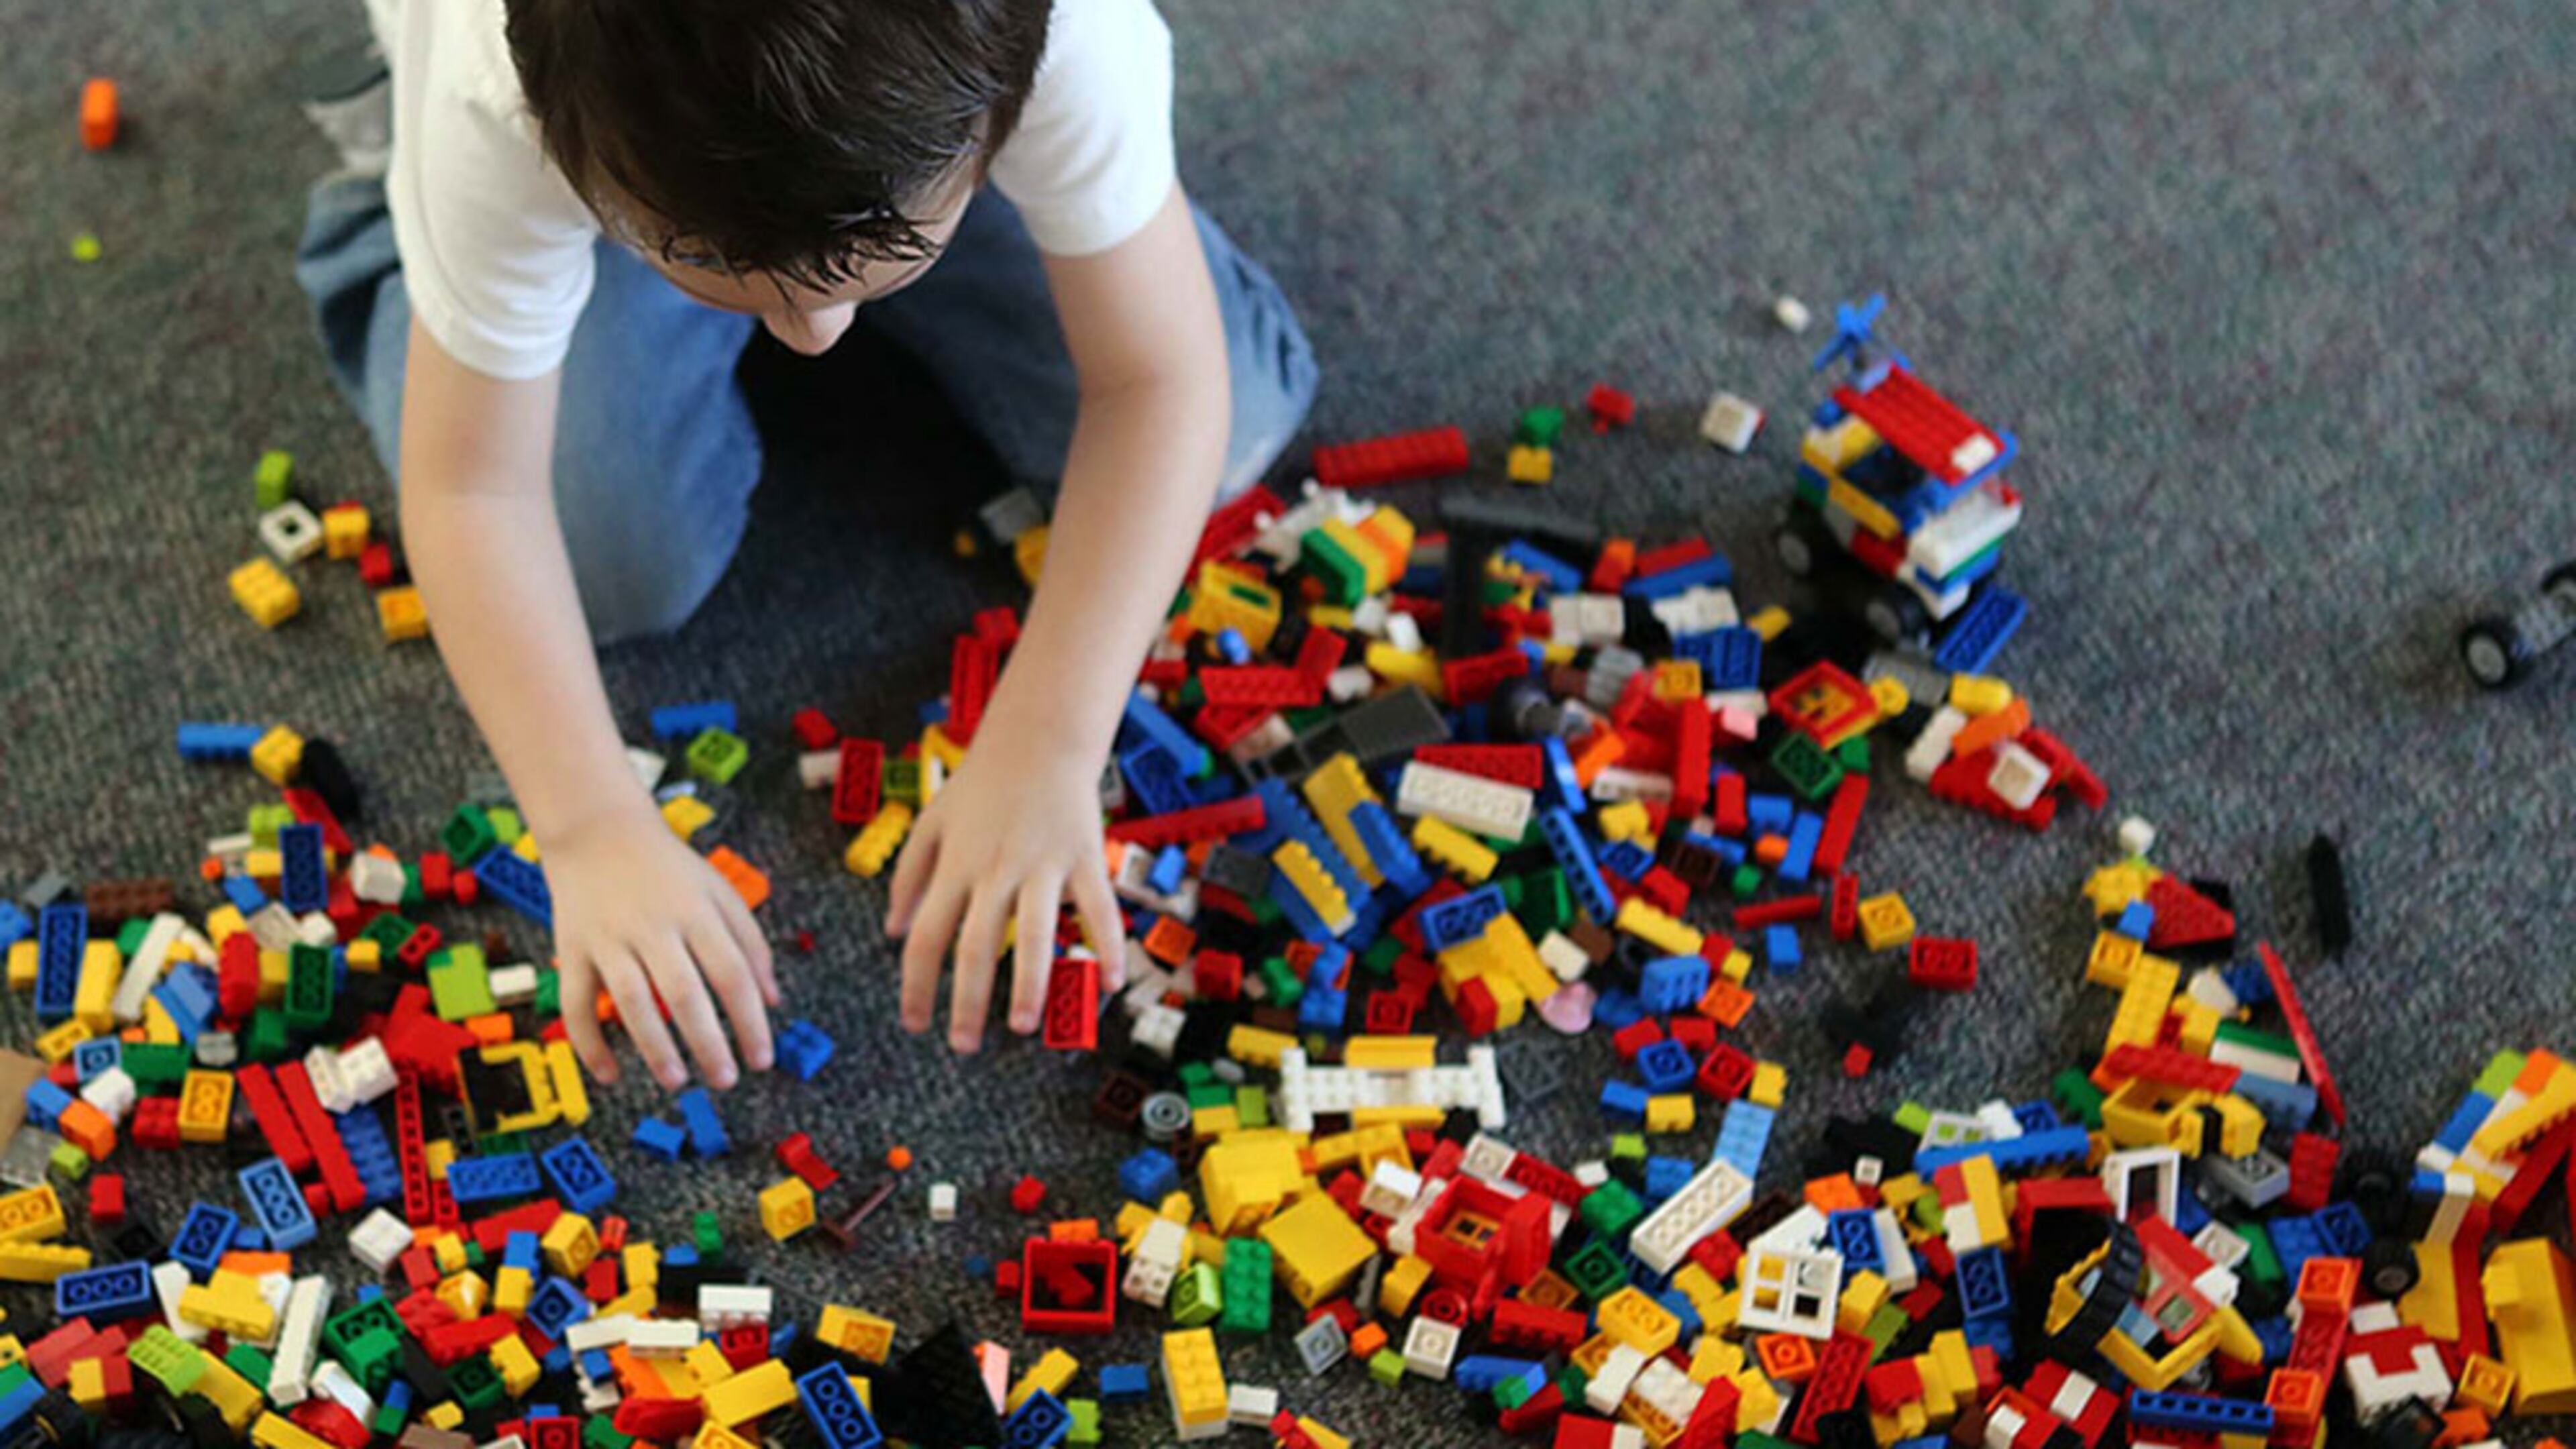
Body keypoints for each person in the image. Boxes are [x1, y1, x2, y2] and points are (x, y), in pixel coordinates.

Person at [294, 0, 1318, 1091]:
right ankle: (399, 211)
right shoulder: (498, 91)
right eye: (746, 283)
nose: (810, 337)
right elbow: (471, 488)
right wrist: (590, 828)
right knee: (606, 562)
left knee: (1229, 416)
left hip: (872, 144)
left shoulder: (1066, 29)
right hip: (604, 164)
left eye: (857, 286)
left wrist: (1054, 739)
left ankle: (847, 233)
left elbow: (1162, 383)